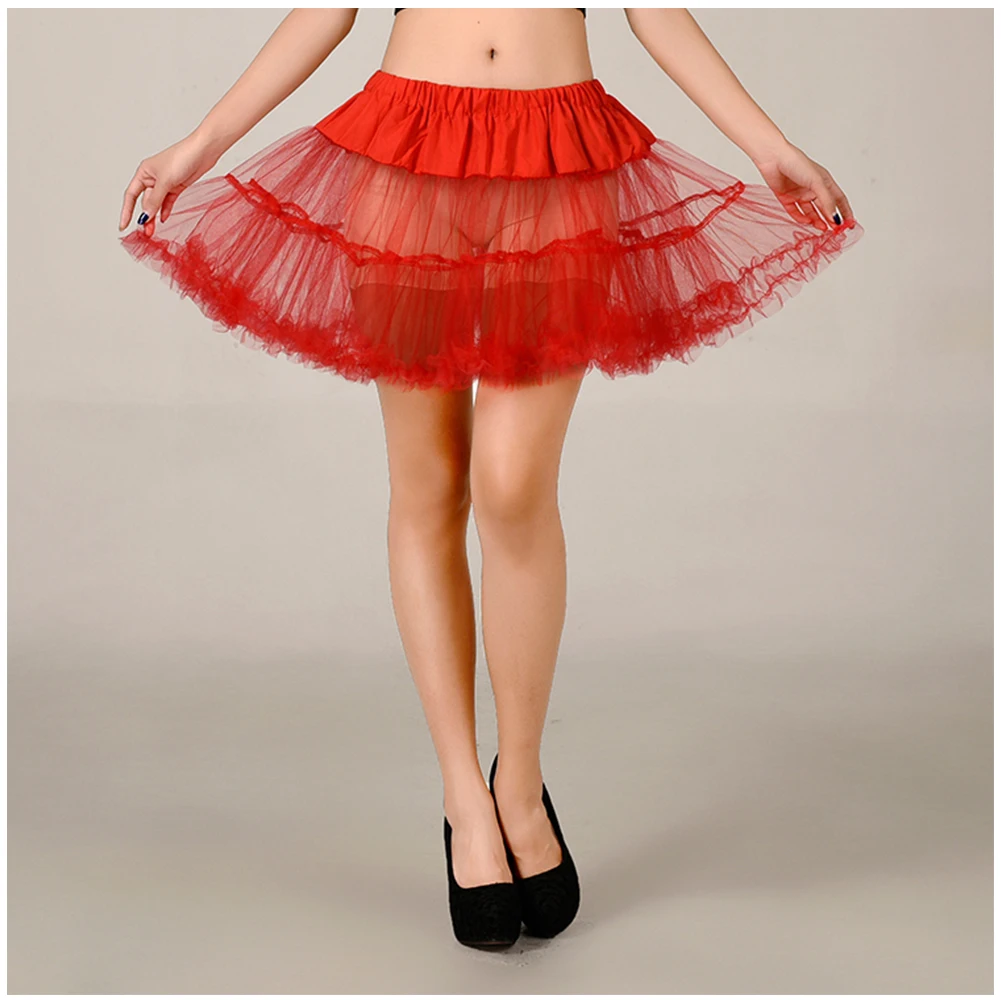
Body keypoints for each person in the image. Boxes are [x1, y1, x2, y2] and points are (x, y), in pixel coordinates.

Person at [117, 7, 863, 950]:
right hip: (404, 152)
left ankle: (522, 779)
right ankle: (464, 797)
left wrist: (768, 146)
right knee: (428, 483)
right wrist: (200, 144)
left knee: (513, 485)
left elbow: (654, 7)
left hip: (559, 154)